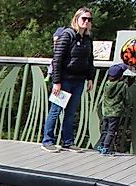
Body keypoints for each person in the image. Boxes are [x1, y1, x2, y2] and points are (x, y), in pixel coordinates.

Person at [41, 8, 96, 153]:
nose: (86, 22)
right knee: (55, 110)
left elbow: (90, 60)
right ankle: (47, 140)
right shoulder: (68, 35)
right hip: (64, 80)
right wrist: (57, 81)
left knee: (71, 113)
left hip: (78, 80)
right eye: (84, 18)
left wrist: (90, 78)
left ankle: (68, 142)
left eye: (89, 19)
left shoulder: (88, 39)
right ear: (76, 19)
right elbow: (57, 59)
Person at [97, 63, 130, 155]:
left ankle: (100, 145)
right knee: (111, 131)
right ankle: (106, 148)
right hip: (115, 112)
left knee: (104, 130)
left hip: (106, 111)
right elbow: (127, 98)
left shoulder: (107, 84)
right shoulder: (122, 85)